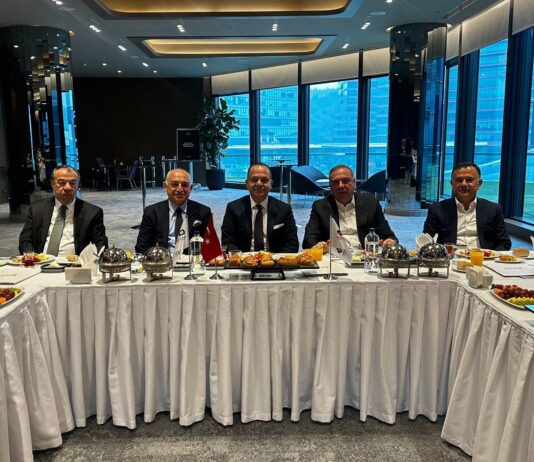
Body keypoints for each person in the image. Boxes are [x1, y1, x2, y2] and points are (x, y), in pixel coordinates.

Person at [19, 165, 108, 256]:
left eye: (72, 183)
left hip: (75, 263)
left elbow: (100, 244)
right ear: (52, 184)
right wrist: (32, 257)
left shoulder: (92, 212)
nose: (67, 187)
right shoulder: (37, 209)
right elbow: (25, 240)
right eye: (61, 182)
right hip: (41, 261)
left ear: (78, 185)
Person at [303, 164, 397, 250]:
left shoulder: (371, 204)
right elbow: (308, 239)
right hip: (334, 257)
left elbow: (389, 236)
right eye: (335, 182)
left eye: (345, 181)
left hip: (363, 256)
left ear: (354, 183)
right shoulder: (320, 206)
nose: (340, 186)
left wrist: (389, 241)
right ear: (330, 186)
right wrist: (319, 245)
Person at [423, 162, 511, 250]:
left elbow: (504, 242)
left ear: (479, 183)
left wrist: (491, 256)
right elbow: (425, 241)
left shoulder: (493, 209)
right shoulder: (437, 209)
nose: (464, 184)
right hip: (450, 257)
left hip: (483, 256)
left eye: (469, 180)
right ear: (452, 184)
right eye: (459, 180)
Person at [221, 163, 299, 253]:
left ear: (271, 184)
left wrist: (277, 259)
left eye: (264, 180)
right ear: (247, 184)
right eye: (254, 180)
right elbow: (227, 243)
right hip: (243, 259)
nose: (259, 183)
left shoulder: (284, 209)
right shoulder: (233, 208)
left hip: (275, 260)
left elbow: (292, 244)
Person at [135, 168, 211, 255]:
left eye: (184, 185)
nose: (180, 189)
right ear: (165, 187)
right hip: (162, 260)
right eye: (174, 184)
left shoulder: (203, 211)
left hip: (191, 260)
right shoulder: (152, 212)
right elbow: (141, 247)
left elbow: (209, 246)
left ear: (190, 188)